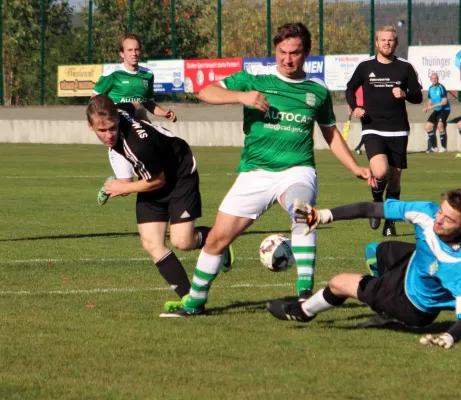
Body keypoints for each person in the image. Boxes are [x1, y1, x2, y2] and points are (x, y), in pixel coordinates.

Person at [160, 22, 375, 318]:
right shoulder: (255, 79)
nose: (287, 59)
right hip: (256, 173)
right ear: (275, 51)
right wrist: (242, 96)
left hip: (297, 170)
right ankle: (195, 302)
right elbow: (205, 92)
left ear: (307, 53)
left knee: (303, 213)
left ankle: (303, 295)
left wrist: (354, 167)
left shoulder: (317, 90)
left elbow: (330, 132)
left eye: (295, 53)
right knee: (216, 240)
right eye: (282, 52)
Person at [267, 188, 461, 350]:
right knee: (380, 250)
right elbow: (370, 208)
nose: (439, 220)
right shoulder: (427, 213)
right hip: (413, 266)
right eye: (441, 212)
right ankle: (383, 305)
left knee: (338, 282)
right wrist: (323, 215)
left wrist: (449, 337)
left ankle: (303, 312)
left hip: (411, 304)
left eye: (448, 219)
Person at [86, 95, 232, 313]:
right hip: (153, 173)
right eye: (102, 130)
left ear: (117, 119)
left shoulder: (137, 146)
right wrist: (149, 120)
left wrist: (122, 188)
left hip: (179, 174)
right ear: (91, 127)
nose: (109, 135)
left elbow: (157, 181)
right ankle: (190, 300)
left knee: (182, 242)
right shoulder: (118, 110)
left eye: (112, 129)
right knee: (151, 243)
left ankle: (217, 240)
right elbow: (136, 105)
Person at [345, 25, 423, 238]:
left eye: (391, 40)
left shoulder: (405, 68)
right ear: (377, 43)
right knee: (380, 172)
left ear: (395, 43)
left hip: (398, 130)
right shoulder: (365, 66)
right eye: (383, 40)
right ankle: (377, 202)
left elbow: (418, 96)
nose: (387, 43)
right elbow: (349, 89)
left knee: (395, 180)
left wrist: (405, 93)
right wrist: (356, 107)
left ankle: (390, 222)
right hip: (373, 127)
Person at [92, 33, 177, 183]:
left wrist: (163, 113)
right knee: (127, 185)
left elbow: (149, 103)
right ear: (122, 54)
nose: (134, 53)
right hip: (122, 135)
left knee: (152, 177)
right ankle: (110, 184)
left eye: (137, 50)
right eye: (130, 50)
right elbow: (94, 101)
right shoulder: (112, 74)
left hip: (142, 133)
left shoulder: (147, 75)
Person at [423, 73, 451, 153]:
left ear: (438, 79)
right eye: (432, 78)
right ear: (430, 79)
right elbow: (430, 100)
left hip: (445, 109)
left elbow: (444, 102)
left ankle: (443, 147)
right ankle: (434, 147)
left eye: (435, 78)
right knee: (427, 127)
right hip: (437, 109)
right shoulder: (430, 88)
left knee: (440, 125)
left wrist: (433, 106)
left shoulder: (441, 87)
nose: (434, 80)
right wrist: (427, 107)